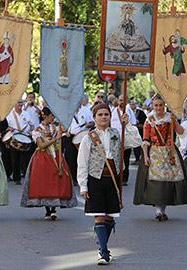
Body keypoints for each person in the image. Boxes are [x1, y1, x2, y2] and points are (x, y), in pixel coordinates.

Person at [77, 103, 141, 265]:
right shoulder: (88, 137)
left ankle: (102, 242)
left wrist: (129, 125)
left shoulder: (117, 134)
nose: (103, 117)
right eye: (100, 115)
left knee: (110, 216)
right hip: (96, 178)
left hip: (114, 178)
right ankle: (103, 251)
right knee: (98, 215)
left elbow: (136, 142)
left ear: (110, 117)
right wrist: (83, 186)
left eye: (106, 114)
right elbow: (82, 163)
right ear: (94, 118)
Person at [133, 95, 187, 221]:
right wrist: (146, 156)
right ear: (152, 106)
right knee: (156, 182)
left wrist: (175, 121)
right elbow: (145, 140)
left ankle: (162, 211)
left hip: (170, 152)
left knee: (168, 181)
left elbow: (181, 132)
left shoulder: (170, 118)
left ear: (164, 105)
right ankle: (158, 211)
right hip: (155, 152)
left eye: (160, 105)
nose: (158, 108)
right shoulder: (149, 120)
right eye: (156, 105)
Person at [21, 107, 77, 220]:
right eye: (52, 116)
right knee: (44, 181)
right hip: (43, 157)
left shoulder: (54, 127)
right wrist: (55, 138)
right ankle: (47, 210)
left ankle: (53, 209)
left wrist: (64, 130)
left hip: (56, 156)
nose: (53, 118)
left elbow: (67, 133)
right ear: (45, 116)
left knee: (56, 180)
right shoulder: (37, 131)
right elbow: (41, 145)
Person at [64, 102, 94, 186]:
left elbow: (92, 122)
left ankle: (83, 178)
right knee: (70, 158)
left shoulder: (86, 111)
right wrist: (66, 132)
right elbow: (62, 124)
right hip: (71, 137)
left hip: (83, 137)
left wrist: (88, 124)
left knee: (82, 158)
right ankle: (72, 178)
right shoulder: (68, 113)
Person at [6, 99, 34, 185]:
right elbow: (5, 127)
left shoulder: (26, 113)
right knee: (15, 159)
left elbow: (31, 124)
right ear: (14, 103)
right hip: (14, 138)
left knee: (25, 159)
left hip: (25, 138)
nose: (21, 104)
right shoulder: (9, 114)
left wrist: (31, 130)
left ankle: (25, 176)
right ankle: (16, 178)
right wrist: (9, 129)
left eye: (22, 103)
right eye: (19, 102)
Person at [111, 95, 136, 186]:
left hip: (126, 140)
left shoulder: (129, 111)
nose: (122, 102)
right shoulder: (112, 111)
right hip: (115, 140)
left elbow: (133, 125)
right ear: (117, 101)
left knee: (125, 159)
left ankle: (124, 178)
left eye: (123, 100)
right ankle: (117, 177)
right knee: (116, 159)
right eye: (120, 100)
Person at [129, 99, 146, 165]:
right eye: (131, 104)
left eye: (133, 104)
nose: (132, 106)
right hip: (131, 130)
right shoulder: (128, 111)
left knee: (139, 144)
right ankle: (137, 158)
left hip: (139, 130)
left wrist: (139, 122)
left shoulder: (140, 112)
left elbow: (144, 120)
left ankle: (139, 158)